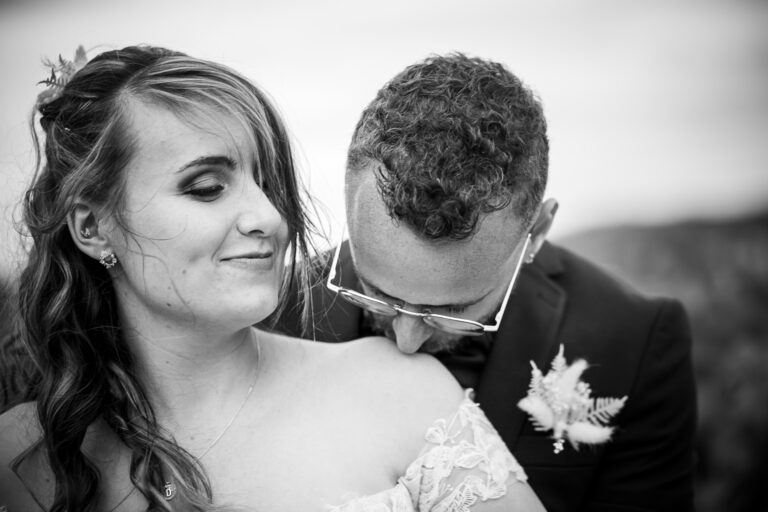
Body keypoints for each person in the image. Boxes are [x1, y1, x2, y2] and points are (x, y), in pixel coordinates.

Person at [0, 46, 544, 511]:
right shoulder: (18, 458)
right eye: (207, 187)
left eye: (267, 183)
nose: (270, 218)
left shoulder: (403, 395)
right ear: (93, 227)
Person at [276, 54, 698, 512]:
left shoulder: (635, 340)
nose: (407, 341)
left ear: (535, 232)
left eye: (453, 311)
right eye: (379, 293)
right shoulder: (268, 316)